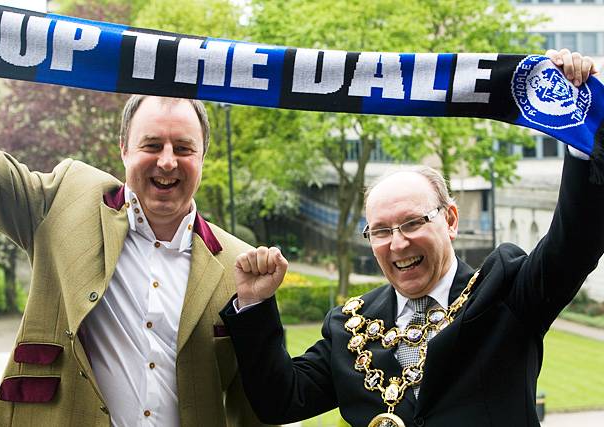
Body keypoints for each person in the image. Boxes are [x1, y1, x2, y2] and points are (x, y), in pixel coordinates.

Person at [220, 49, 602, 427]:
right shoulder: (350, 325)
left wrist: (577, 131)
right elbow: (280, 401)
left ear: (450, 219)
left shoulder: (507, 292)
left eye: (413, 223)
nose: (398, 243)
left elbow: (575, 243)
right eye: (381, 231)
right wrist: (254, 304)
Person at [0, 95, 270, 426]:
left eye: (183, 149)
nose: (167, 162)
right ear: (124, 149)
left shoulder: (239, 266)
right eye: (152, 145)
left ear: (203, 157)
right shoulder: (62, 203)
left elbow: (256, 405)